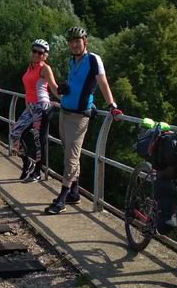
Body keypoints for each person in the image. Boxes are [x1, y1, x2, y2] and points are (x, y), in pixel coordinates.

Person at [45, 27, 122, 215]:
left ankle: (61, 199)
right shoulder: (72, 61)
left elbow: (102, 82)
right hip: (64, 111)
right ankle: (74, 192)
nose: (74, 44)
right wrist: (65, 88)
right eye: (71, 41)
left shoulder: (93, 60)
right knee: (70, 153)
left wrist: (111, 104)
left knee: (71, 157)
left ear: (84, 41)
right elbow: (76, 83)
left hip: (79, 117)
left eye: (77, 40)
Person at [9, 39, 59, 183]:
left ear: (45, 55)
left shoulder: (45, 68)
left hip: (42, 108)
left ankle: (37, 172)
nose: (37, 54)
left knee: (39, 141)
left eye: (40, 52)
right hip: (30, 108)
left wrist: (67, 99)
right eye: (34, 51)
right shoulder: (30, 67)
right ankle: (27, 163)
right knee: (15, 133)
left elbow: (54, 87)